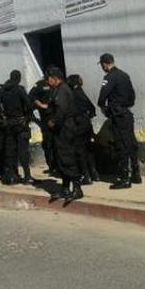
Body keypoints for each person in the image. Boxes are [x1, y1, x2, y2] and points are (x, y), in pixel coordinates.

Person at [97, 53, 141, 189]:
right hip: (127, 114)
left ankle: (124, 178)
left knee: (121, 146)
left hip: (117, 115)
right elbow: (132, 97)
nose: (102, 68)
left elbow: (101, 98)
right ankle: (136, 174)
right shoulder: (125, 75)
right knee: (131, 143)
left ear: (105, 64)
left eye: (102, 65)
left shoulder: (110, 77)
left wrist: (105, 109)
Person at [46, 67, 83, 202]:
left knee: (67, 158)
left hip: (65, 129)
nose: (47, 81)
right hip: (61, 130)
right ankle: (65, 188)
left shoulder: (62, 90)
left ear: (55, 78)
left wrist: (53, 122)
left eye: (48, 79)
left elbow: (60, 111)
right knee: (61, 159)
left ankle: (77, 188)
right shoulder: (57, 90)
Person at [0, 70, 35, 184]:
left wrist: (3, 116)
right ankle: (27, 176)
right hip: (20, 124)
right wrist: (27, 118)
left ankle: (13, 175)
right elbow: (29, 105)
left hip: (9, 124)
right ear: (18, 78)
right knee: (23, 151)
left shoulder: (3, 90)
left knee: (11, 151)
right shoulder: (19, 90)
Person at [67, 74, 99, 184]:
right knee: (89, 150)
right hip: (86, 124)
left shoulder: (73, 94)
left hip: (79, 125)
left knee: (80, 151)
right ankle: (94, 173)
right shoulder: (81, 92)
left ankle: (86, 176)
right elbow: (92, 109)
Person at [28, 77, 57, 175]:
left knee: (57, 143)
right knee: (48, 144)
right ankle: (52, 166)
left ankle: (59, 166)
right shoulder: (40, 84)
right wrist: (40, 104)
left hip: (57, 117)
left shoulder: (59, 84)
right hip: (46, 118)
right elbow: (31, 97)